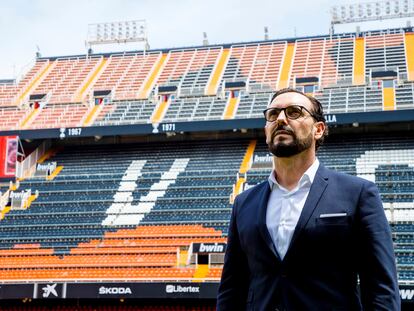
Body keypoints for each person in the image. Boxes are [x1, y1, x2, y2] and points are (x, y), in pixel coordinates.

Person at [216, 88, 400, 310]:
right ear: (266, 130)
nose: (281, 119)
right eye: (273, 115)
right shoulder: (244, 202)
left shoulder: (359, 194)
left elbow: (381, 288)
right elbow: (231, 288)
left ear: (318, 129)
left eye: (294, 112)